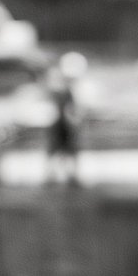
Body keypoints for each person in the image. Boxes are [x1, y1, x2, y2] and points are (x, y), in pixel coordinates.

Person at [45, 50, 87, 186]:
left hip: (65, 123)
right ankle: (54, 174)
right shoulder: (60, 88)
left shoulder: (66, 89)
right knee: (58, 148)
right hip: (61, 122)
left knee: (67, 149)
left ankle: (69, 174)